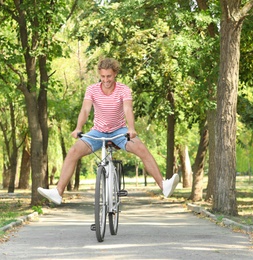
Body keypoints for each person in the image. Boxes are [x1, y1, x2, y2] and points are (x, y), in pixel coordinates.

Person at [38, 58, 179, 205]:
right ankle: (58, 192)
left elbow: (128, 109)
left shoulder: (123, 89)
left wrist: (131, 128)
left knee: (141, 148)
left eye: (109, 76)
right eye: (103, 76)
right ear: (99, 74)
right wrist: (78, 128)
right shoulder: (92, 89)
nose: (106, 80)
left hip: (119, 131)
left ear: (115, 74)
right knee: (73, 152)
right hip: (97, 132)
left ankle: (164, 186)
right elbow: (85, 110)